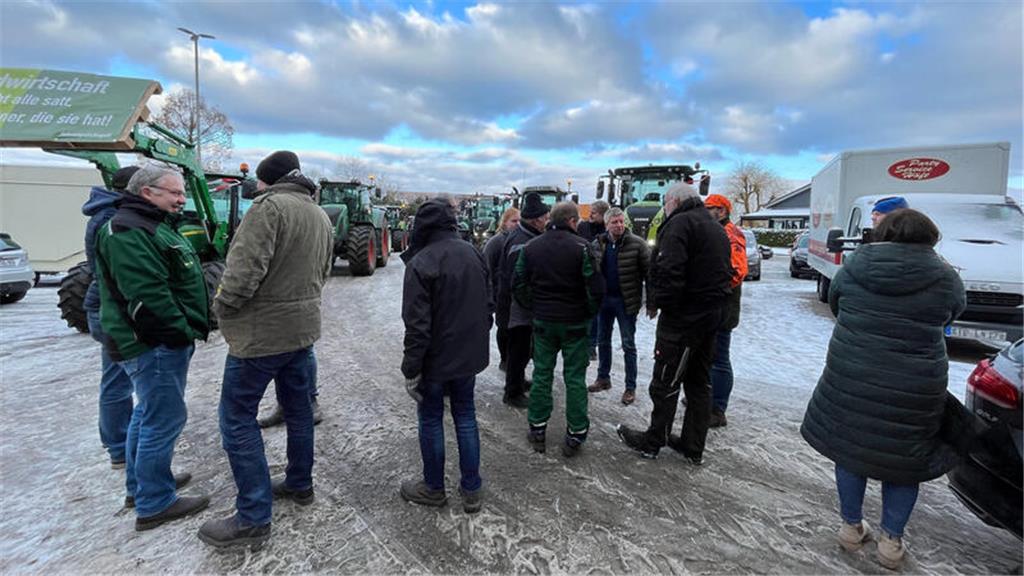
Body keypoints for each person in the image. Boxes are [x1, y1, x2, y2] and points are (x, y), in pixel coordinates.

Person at [800, 209, 965, 570]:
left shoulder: (855, 267)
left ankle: (850, 527)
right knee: (905, 460)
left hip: (852, 372)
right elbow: (953, 313)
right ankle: (891, 542)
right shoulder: (944, 276)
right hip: (915, 384)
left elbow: (836, 304)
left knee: (850, 450)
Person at [198, 151, 333, 548]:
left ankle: (253, 518)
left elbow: (242, 273)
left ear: (267, 181)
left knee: (237, 419)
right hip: (301, 332)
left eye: (258, 181)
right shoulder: (318, 213)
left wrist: (219, 309)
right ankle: (299, 482)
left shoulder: (267, 208)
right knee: (299, 411)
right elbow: (323, 272)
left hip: (261, 337)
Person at [94, 163, 210, 530]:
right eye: (174, 192)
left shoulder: (148, 225)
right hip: (153, 342)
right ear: (147, 192)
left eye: (181, 192)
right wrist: (179, 331)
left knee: (146, 414)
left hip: (152, 340)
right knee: (164, 417)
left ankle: (141, 485)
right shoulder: (129, 229)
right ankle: (155, 502)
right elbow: (147, 295)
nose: (181, 199)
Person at [616, 183, 732, 464]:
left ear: (674, 201)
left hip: (683, 320)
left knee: (665, 380)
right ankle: (694, 445)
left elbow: (668, 270)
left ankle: (653, 440)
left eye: (666, 202)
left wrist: (663, 305)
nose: (664, 208)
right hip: (710, 316)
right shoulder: (715, 226)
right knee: (698, 382)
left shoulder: (679, 225)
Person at [399, 198, 492, 513]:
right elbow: (488, 305)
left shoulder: (422, 261)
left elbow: (416, 326)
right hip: (468, 357)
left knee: (430, 418)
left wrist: (411, 369)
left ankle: (434, 487)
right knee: (465, 416)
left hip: (436, 361)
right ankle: (472, 488)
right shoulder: (474, 253)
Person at [513, 202, 605, 457]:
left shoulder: (532, 247)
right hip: (575, 323)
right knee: (575, 378)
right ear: (573, 221)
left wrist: (534, 306)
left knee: (542, 374)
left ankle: (538, 428)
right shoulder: (582, 248)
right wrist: (587, 312)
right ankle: (575, 433)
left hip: (543, 321)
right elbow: (595, 287)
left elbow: (518, 282)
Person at [83, 165, 138, 469]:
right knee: (118, 379)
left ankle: (121, 445)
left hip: (109, 304)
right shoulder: (112, 221)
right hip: (112, 306)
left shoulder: (107, 214)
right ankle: (120, 446)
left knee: (116, 376)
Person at [587, 207, 649, 406]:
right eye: (615, 222)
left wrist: (652, 303)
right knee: (602, 341)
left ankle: (630, 387)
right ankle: (603, 378)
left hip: (626, 302)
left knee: (628, 344)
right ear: (607, 224)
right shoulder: (598, 244)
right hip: (604, 301)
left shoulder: (638, 245)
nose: (619, 225)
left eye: (622, 221)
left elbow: (650, 274)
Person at [496, 193, 550, 409]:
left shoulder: (524, 235)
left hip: (518, 305)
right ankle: (512, 392)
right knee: (519, 349)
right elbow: (516, 281)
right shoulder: (521, 242)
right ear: (536, 219)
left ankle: (517, 381)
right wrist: (530, 303)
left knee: (523, 349)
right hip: (517, 307)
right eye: (545, 217)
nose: (547, 221)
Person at [703, 194, 747, 427]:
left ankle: (718, 409)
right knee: (709, 357)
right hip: (714, 306)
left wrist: (712, 287)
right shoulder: (716, 231)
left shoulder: (731, 234)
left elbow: (737, 271)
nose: (705, 212)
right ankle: (706, 399)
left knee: (720, 359)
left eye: (709, 208)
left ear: (721, 211)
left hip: (723, 306)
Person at [483, 207, 521, 372]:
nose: (517, 224)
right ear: (504, 223)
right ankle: (505, 360)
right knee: (504, 328)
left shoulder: (519, 240)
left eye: (519, 221)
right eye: (513, 221)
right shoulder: (496, 242)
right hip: (501, 295)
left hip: (516, 295)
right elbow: (487, 269)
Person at [577, 200, 610, 359]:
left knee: (595, 314)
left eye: (594, 212)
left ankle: (591, 346)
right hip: (582, 276)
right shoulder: (582, 227)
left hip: (599, 277)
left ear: (603, 216)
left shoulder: (607, 231)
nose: (590, 215)